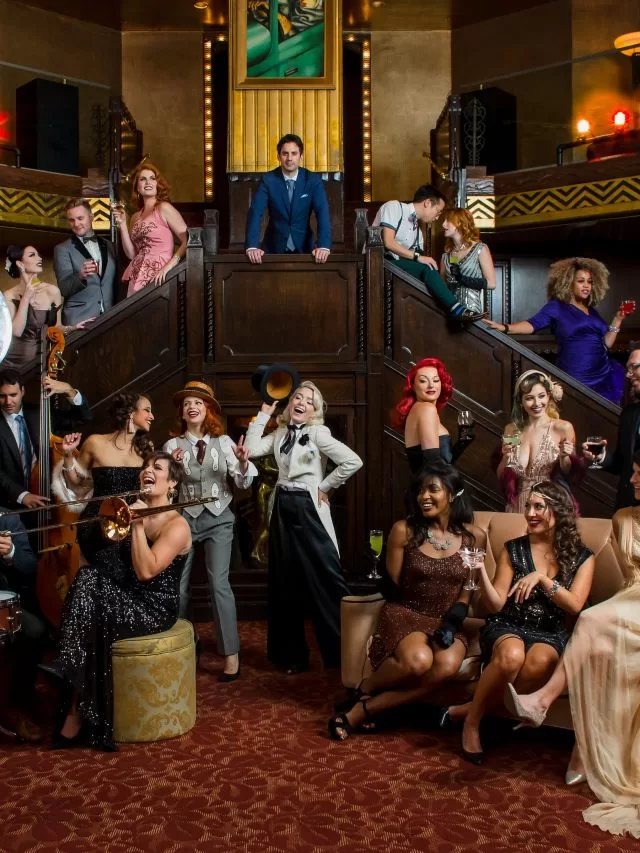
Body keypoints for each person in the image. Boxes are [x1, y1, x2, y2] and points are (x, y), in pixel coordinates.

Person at [505, 454, 640, 838]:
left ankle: (543, 702)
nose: (631, 478)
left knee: (592, 620)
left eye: (638, 472)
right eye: (633, 471)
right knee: (600, 642)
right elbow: (631, 579)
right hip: (631, 601)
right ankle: (583, 747)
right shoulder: (624, 519)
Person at [42, 452, 191, 751]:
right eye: (145, 467)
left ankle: (72, 694)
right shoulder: (133, 508)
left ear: (172, 483)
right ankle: (74, 701)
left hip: (153, 607)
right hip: (127, 594)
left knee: (92, 601)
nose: (147, 470)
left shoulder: (177, 526)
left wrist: (137, 526)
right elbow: (111, 561)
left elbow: (146, 571)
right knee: (87, 579)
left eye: (157, 468)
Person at [442, 481, 594, 764]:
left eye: (539, 507)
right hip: (508, 623)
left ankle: (469, 708)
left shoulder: (583, 557)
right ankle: (472, 723)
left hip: (549, 632)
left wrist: (542, 579)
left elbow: (575, 605)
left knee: (540, 662)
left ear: (558, 511)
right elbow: (497, 604)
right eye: (528, 506)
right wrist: (479, 572)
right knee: (512, 656)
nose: (530, 513)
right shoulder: (513, 549)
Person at [329, 464, 484, 740]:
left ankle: (364, 707)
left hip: (447, 620)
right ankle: (366, 687)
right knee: (419, 661)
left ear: (452, 494)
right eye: (420, 490)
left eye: (433, 489)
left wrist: (451, 625)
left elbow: (467, 593)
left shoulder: (475, 537)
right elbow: (393, 587)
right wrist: (375, 568)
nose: (424, 496)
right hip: (406, 611)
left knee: (445, 668)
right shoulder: (404, 530)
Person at [244, 381, 362, 673]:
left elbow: (352, 461)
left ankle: (345, 655)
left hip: (308, 507)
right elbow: (250, 450)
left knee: (327, 579)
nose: (302, 402)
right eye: (298, 397)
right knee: (285, 580)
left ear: (314, 411)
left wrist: (325, 486)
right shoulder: (279, 433)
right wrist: (263, 415)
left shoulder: (318, 433)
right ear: (290, 404)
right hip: (282, 506)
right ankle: (291, 657)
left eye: (310, 401)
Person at [163, 381, 257, 681]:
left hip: (219, 519)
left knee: (219, 585)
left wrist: (243, 463)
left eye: (198, 403)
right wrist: (173, 469)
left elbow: (242, 481)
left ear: (208, 410)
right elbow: (165, 491)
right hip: (184, 522)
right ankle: (184, 646)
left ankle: (231, 653)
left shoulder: (225, 442)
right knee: (179, 588)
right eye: (187, 403)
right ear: (182, 412)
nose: (192, 406)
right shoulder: (171, 446)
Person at [484, 258, 630, 404]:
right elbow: (532, 325)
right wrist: (506, 327)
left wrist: (618, 318)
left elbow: (606, 344)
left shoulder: (593, 312)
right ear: (568, 283)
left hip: (602, 374)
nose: (586, 285)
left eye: (590, 282)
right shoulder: (556, 307)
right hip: (575, 374)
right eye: (581, 281)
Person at [52, 390, 154, 562]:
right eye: (147, 410)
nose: (152, 416)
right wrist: (68, 455)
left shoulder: (146, 447)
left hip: (131, 525)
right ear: (131, 412)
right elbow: (77, 485)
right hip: (98, 524)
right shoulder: (95, 443)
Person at [372, 185, 484, 324]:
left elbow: (420, 261)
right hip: (376, 264)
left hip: (393, 270)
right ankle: (457, 310)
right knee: (426, 267)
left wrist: (425, 263)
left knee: (428, 268)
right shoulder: (394, 207)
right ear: (428, 203)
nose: (438, 218)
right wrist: (418, 257)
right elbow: (388, 242)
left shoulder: (418, 233)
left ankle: (449, 311)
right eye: (438, 212)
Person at [0, 367, 92, 511]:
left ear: (22, 391)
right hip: (10, 504)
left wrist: (69, 390)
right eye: (2, 396)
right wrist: (22, 495)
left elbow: (83, 417)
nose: (8, 401)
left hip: (48, 498)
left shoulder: (41, 414)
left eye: (13, 395)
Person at [496, 369, 581, 513]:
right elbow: (501, 476)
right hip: (517, 507)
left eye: (541, 396)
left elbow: (570, 474)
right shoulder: (511, 430)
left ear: (549, 396)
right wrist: (505, 457)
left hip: (549, 505)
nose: (537, 403)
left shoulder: (563, 428)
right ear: (521, 401)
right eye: (529, 398)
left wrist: (564, 457)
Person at [245, 134, 331, 264]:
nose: (289, 158)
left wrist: (323, 246)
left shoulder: (313, 180)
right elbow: (255, 213)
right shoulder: (268, 180)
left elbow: (322, 212)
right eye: (285, 153)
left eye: (294, 153)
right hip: (273, 250)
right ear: (278, 156)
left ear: (301, 156)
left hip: (305, 251)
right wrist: (252, 246)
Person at [3, 245, 90, 370]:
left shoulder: (52, 291)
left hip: (41, 361)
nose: (39, 258)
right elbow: (16, 331)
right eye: (32, 255)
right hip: (12, 364)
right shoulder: (9, 295)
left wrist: (73, 328)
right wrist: (26, 297)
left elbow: (56, 328)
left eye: (38, 255)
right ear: (20, 264)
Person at [0, 513, 47, 742]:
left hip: (3, 604)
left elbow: (29, 566)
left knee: (34, 630)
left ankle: (16, 703)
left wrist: (11, 552)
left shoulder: (7, 520)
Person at [113, 163, 188, 296]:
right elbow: (131, 254)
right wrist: (123, 224)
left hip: (160, 275)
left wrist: (168, 267)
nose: (148, 182)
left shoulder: (164, 208)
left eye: (152, 178)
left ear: (157, 184)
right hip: (136, 276)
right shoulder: (135, 217)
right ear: (137, 188)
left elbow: (188, 240)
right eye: (143, 179)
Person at [583, 344, 640, 509]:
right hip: (628, 507)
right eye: (627, 369)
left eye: (634, 367)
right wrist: (601, 457)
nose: (628, 375)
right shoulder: (629, 414)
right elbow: (623, 464)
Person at [53, 198, 117, 325]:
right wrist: (80, 275)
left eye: (80, 218)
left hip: (109, 317)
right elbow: (64, 289)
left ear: (91, 217)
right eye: (72, 220)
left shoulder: (109, 246)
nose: (76, 224)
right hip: (79, 319)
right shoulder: (62, 249)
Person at [391, 358, 455, 472]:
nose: (431, 385)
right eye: (423, 381)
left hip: (430, 481)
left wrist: (463, 443)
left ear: (441, 384)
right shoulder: (426, 409)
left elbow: (444, 461)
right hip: (432, 482)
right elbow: (433, 464)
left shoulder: (419, 409)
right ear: (413, 386)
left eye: (436, 380)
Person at [440, 207, 496, 316]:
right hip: (449, 314)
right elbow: (442, 288)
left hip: (471, 313)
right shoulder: (445, 256)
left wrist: (462, 279)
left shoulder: (480, 249)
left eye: (448, 220)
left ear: (460, 223)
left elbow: (491, 283)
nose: (443, 224)